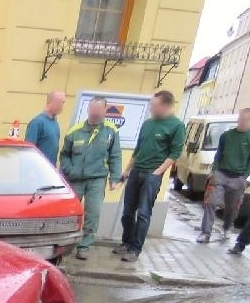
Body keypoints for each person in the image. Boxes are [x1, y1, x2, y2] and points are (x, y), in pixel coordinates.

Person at [115, 90, 185, 262]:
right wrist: (127, 169)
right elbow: (138, 149)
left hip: (151, 175)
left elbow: (175, 153)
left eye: (154, 105)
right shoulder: (148, 124)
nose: (151, 108)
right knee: (127, 212)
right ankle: (126, 242)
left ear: (165, 105)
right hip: (136, 171)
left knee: (144, 213)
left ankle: (135, 249)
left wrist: (157, 172)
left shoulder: (176, 126)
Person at [59, 96, 122, 260]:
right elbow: (64, 155)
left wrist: (115, 178)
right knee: (70, 213)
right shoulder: (75, 130)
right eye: (92, 109)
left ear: (104, 110)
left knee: (93, 212)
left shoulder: (111, 131)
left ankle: (84, 245)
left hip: (97, 179)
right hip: (75, 179)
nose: (94, 113)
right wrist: (68, 170)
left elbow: (115, 156)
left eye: (98, 110)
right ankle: (65, 243)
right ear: (88, 109)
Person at [198, 108, 250, 243]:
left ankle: (227, 227)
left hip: (238, 177)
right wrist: (214, 170)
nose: (241, 121)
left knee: (232, 208)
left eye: (244, 120)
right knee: (211, 202)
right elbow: (218, 154)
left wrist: (245, 176)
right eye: (240, 118)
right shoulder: (226, 136)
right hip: (221, 173)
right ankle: (205, 233)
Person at [25, 91, 66, 165]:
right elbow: (28, 150)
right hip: (37, 169)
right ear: (53, 102)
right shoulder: (37, 122)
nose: (62, 106)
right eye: (61, 102)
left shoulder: (55, 123)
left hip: (49, 170)